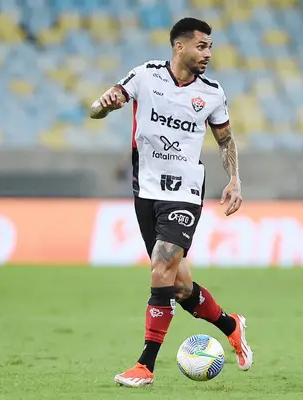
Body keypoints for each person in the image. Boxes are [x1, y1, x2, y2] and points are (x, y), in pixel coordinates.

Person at [89, 17, 253, 387]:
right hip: (146, 191)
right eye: (201, 46)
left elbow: (226, 141)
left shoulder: (211, 92)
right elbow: (95, 111)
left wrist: (235, 180)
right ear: (179, 47)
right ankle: (231, 325)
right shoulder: (145, 76)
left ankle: (144, 366)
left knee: (162, 265)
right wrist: (104, 105)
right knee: (177, 287)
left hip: (185, 192)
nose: (208, 53)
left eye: (210, 46)